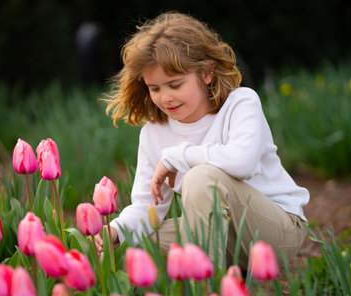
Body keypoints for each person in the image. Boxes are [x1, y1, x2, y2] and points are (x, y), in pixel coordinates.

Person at [95, 12, 309, 270]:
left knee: (201, 177)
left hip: (274, 232)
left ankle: (209, 289)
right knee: (131, 246)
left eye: (175, 84)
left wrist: (178, 157)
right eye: (155, 88)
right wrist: (116, 231)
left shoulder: (240, 104)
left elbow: (241, 163)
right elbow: (147, 207)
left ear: (206, 73)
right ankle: (216, 272)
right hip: (213, 236)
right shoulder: (154, 132)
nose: (165, 98)